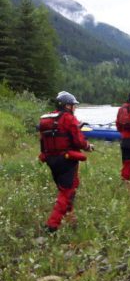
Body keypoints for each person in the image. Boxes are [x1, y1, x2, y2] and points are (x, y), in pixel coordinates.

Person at [38, 91, 94, 232]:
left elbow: (44, 139)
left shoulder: (48, 119)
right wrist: (88, 146)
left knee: (70, 186)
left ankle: (70, 217)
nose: (74, 108)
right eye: (73, 105)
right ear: (67, 106)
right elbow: (79, 141)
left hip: (51, 160)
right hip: (66, 160)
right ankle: (52, 225)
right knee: (67, 191)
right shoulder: (69, 119)